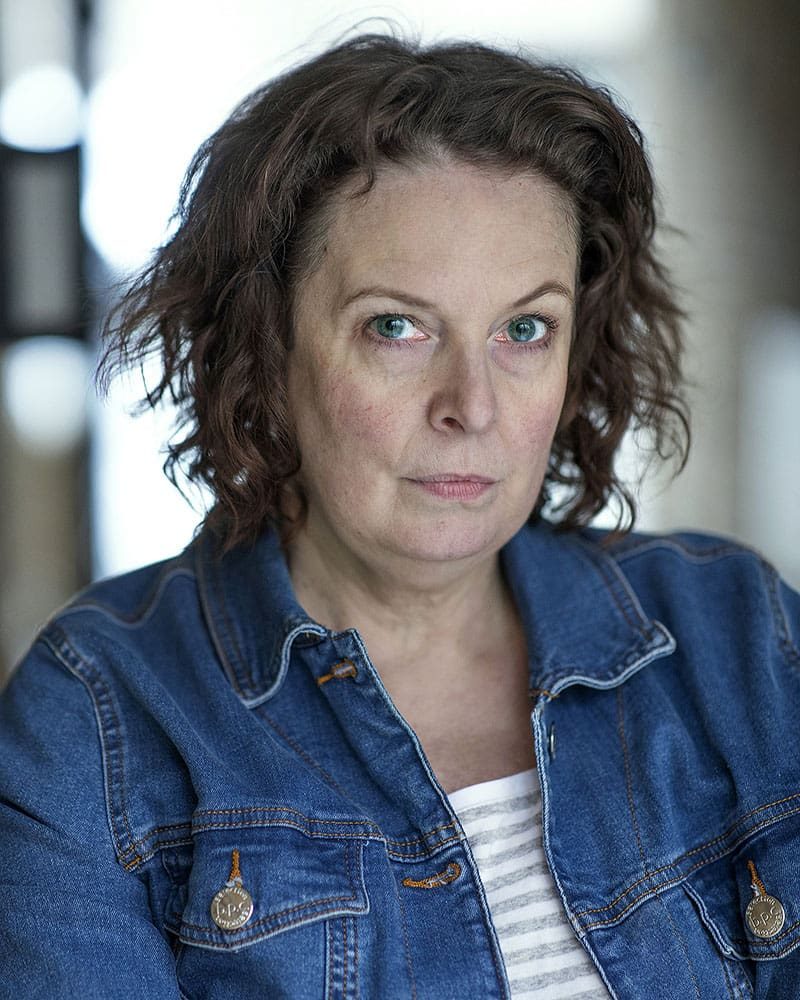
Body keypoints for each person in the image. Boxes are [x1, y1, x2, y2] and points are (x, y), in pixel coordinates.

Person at [0, 32, 798, 1000]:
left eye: (522, 328)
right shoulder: (100, 716)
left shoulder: (738, 634)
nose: (472, 403)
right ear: (264, 352)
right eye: (396, 326)